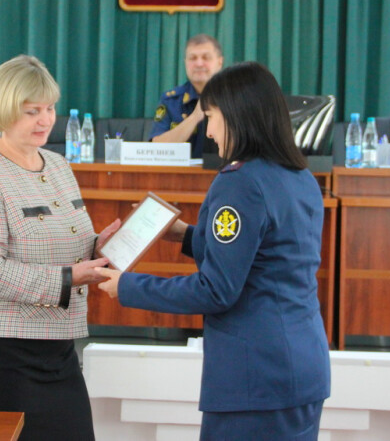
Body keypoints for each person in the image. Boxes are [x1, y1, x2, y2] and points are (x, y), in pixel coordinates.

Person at [97, 61, 330, 440]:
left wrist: (128, 286)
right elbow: (267, 255)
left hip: (256, 377)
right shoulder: (300, 175)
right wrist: (185, 235)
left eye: (212, 117)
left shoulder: (240, 183)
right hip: (302, 368)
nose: (210, 131)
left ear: (238, 115)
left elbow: (216, 289)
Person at [0, 55, 119, 441]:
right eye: (32, 111)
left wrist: (98, 247)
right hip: (0, 352)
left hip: (56, 347)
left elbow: (60, 239)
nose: (45, 120)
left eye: (50, 109)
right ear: (3, 110)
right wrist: (69, 277)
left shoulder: (57, 165)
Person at [150, 34, 224, 158]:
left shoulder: (234, 96)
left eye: (206, 58)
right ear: (185, 63)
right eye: (192, 58)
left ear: (219, 62)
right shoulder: (171, 100)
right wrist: (195, 117)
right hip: (181, 170)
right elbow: (156, 148)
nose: (199, 63)